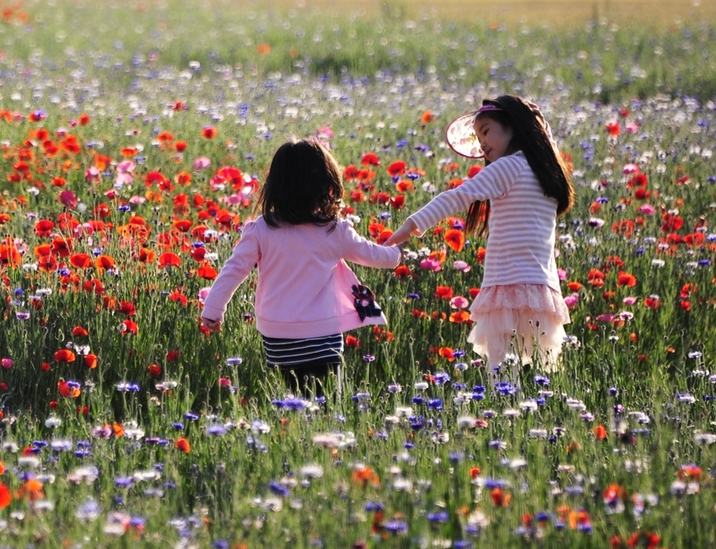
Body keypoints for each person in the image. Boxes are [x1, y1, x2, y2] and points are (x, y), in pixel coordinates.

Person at [385, 96, 574, 372]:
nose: (482, 143)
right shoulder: (547, 171)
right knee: (538, 374)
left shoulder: (510, 167)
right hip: (541, 291)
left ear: (513, 127)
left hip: (508, 285)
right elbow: (546, 145)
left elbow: (457, 196)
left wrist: (411, 225)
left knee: (504, 376)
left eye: (485, 131)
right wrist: (540, 125)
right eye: (478, 136)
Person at [199, 138, 402, 391]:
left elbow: (233, 270)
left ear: (275, 185)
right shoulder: (334, 230)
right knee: (327, 401)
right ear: (327, 184)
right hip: (323, 334)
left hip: (278, 337)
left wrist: (213, 310)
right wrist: (396, 254)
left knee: (291, 399)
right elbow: (372, 255)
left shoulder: (261, 229)